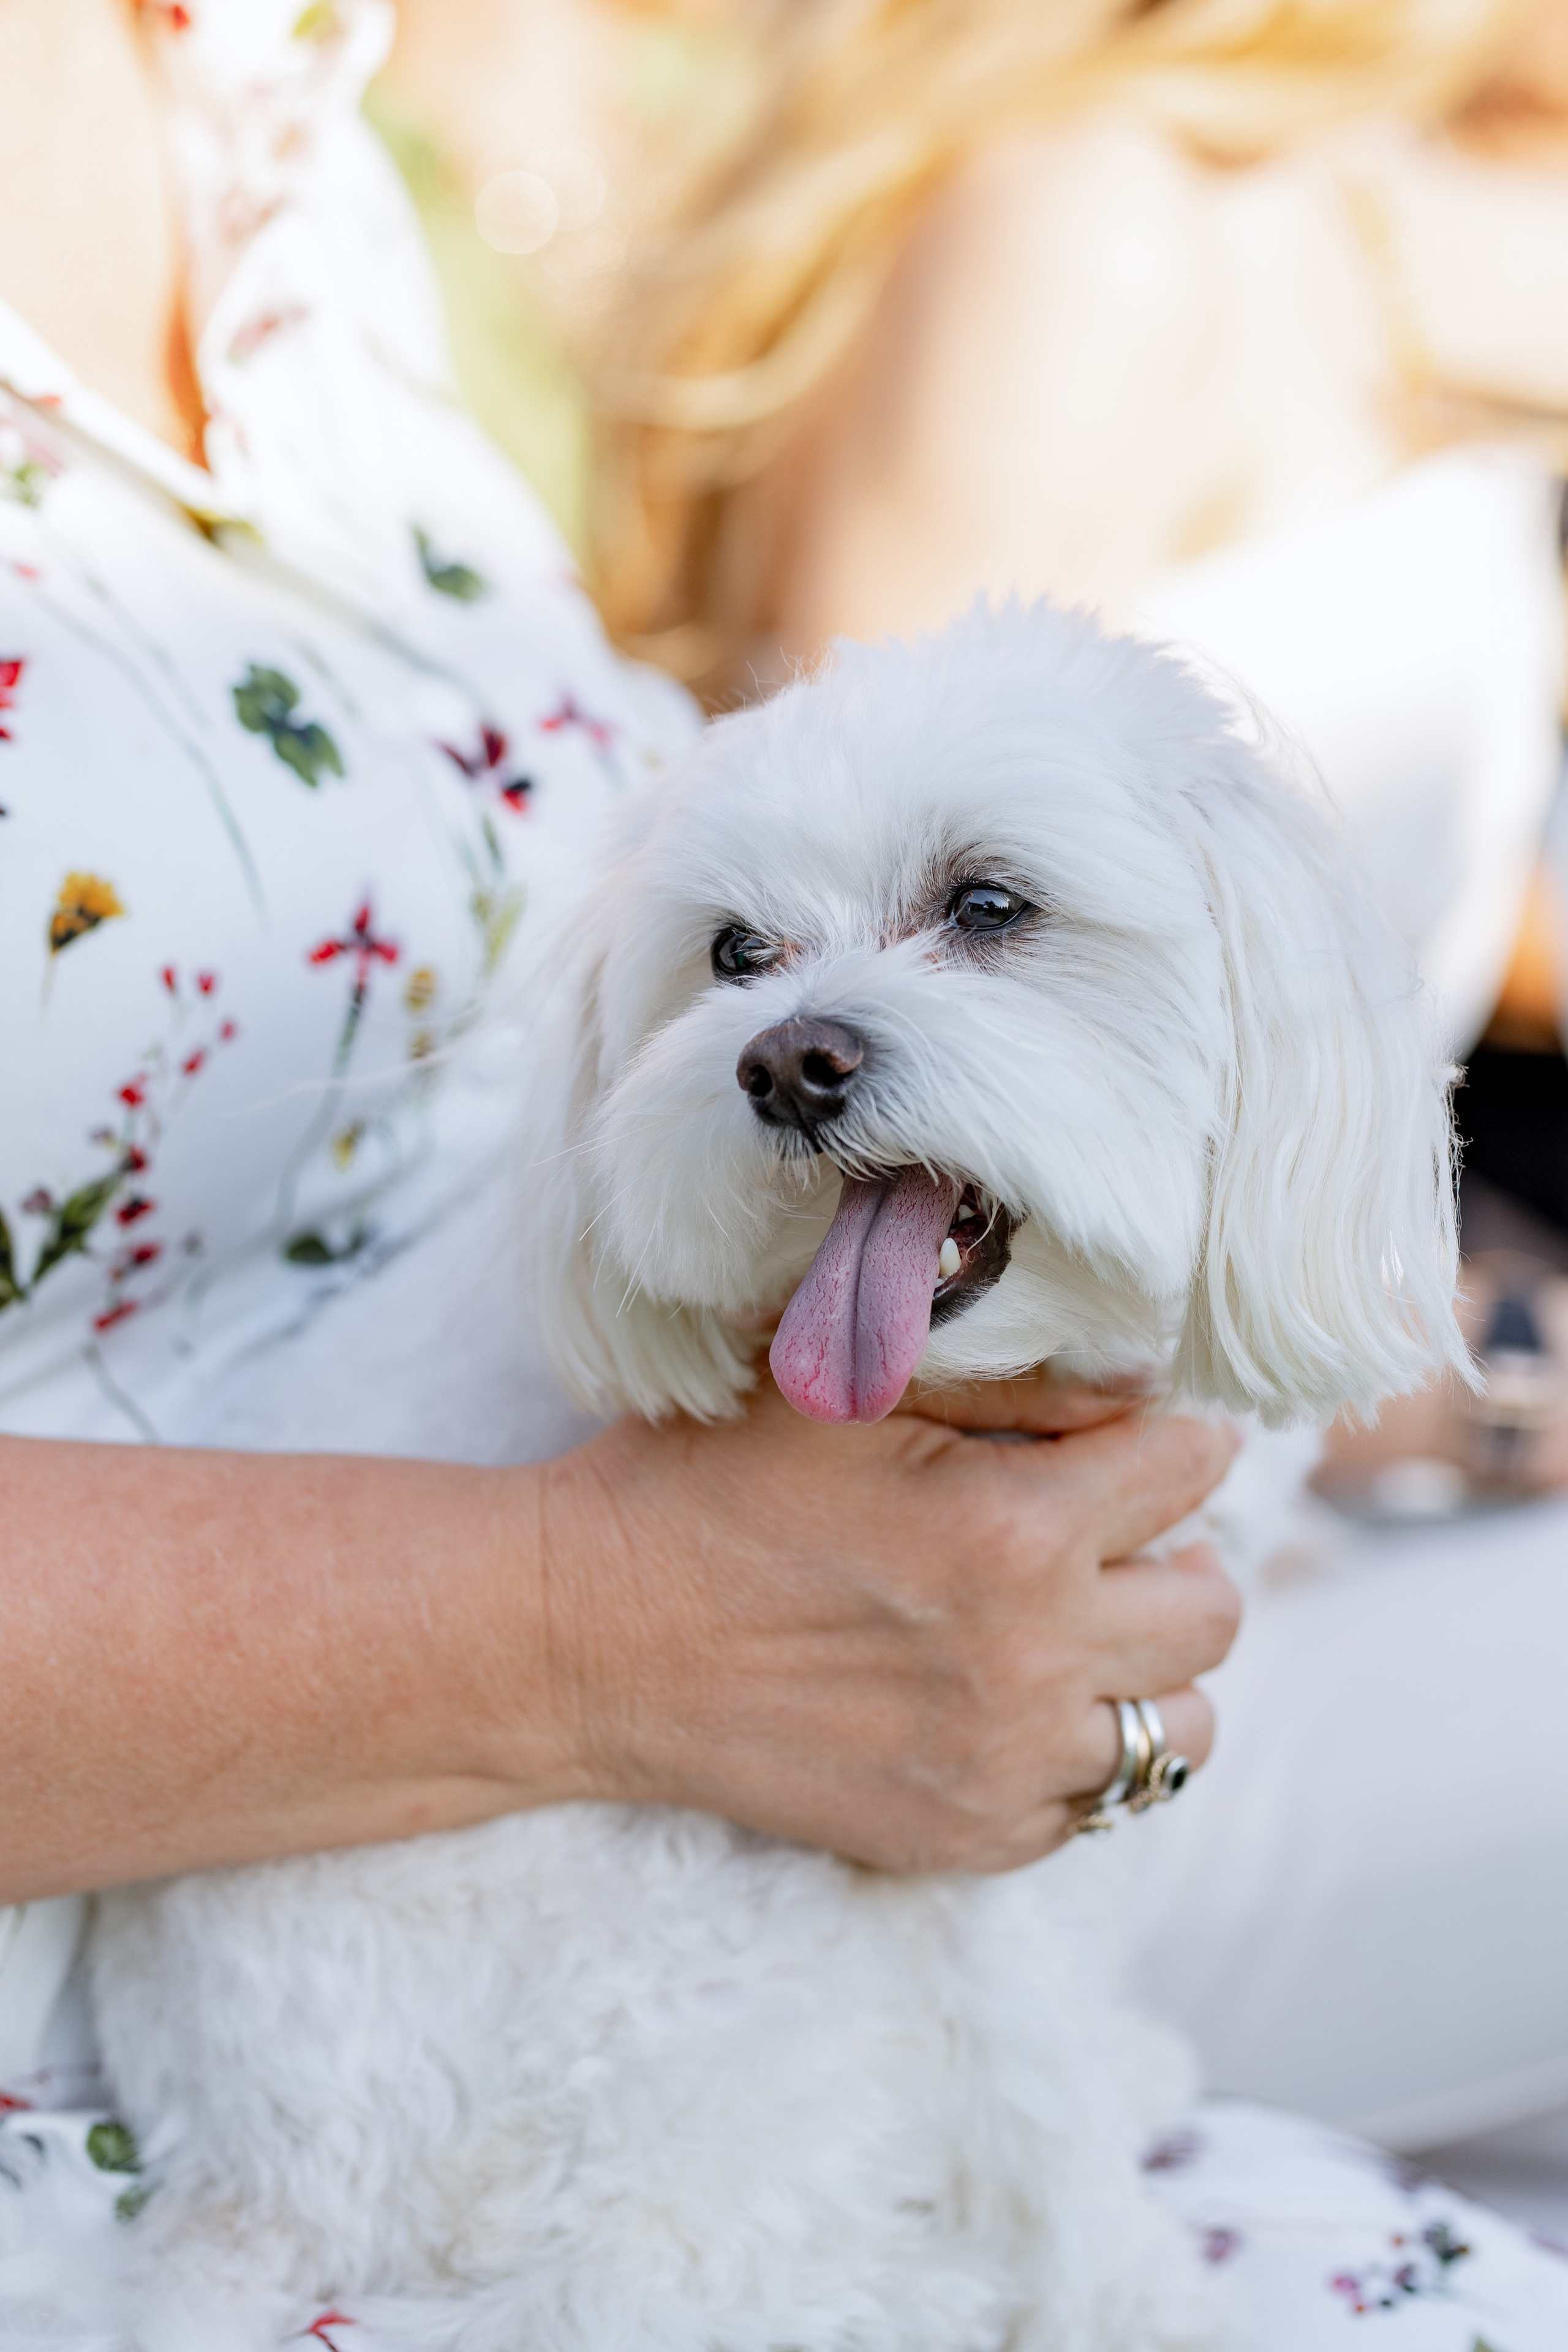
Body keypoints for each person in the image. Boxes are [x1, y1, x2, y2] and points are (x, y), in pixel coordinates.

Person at [2, 6, 1566, 2346]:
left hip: (879, 1766)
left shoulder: (265, 120)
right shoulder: (1081, 226)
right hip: (286, 2003)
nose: (807, 1008)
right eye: (750, 958)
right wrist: (601, 1628)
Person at [592, 0, 1568, 2176]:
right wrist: (1493, 1376)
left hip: (1265, 1514)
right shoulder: (1084, 229)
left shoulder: (1345, 238)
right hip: (1004, 1633)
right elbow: (867, 1035)